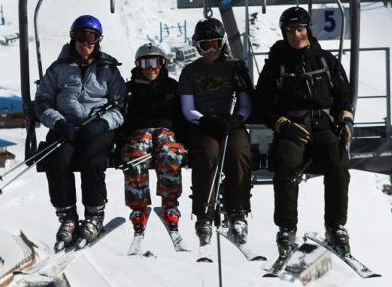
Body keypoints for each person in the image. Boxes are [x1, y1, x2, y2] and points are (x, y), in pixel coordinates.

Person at [254, 6, 354, 258]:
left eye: (299, 28)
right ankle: (287, 227)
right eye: (290, 30)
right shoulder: (276, 65)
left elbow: (343, 95)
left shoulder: (326, 61)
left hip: (322, 124)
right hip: (292, 127)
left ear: (308, 29)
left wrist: (345, 120)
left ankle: (336, 225)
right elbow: (262, 105)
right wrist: (282, 124)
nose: (295, 34)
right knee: (286, 163)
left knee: (338, 160)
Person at [34, 15, 126, 249]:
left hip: (97, 127)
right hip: (66, 125)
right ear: (73, 37)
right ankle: (67, 216)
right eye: (81, 37)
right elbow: (42, 102)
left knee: (92, 159)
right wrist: (59, 123)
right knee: (57, 158)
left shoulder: (108, 69)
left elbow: (121, 105)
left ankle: (94, 214)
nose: (86, 43)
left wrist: (102, 124)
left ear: (98, 40)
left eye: (91, 37)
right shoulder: (58, 69)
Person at [178, 17, 254, 246]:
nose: (209, 50)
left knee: (239, 152)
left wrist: (238, 118)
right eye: (204, 45)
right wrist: (205, 121)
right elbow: (187, 108)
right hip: (205, 125)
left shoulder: (235, 67)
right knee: (208, 153)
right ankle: (205, 212)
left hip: (231, 122)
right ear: (196, 45)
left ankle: (237, 211)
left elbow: (245, 102)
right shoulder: (190, 72)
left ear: (222, 43)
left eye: (214, 44)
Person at [117, 43, 185, 238]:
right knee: (135, 155)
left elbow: (181, 114)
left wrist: (184, 137)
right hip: (139, 130)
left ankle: (170, 205)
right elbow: (123, 116)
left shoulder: (171, 86)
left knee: (169, 153)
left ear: (163, 64)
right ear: (138, 65)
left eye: (156, 62)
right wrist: (120, 140)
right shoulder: (130, 89)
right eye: (146, 63)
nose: (151, 68)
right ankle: (138, 208)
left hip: (166, 130)